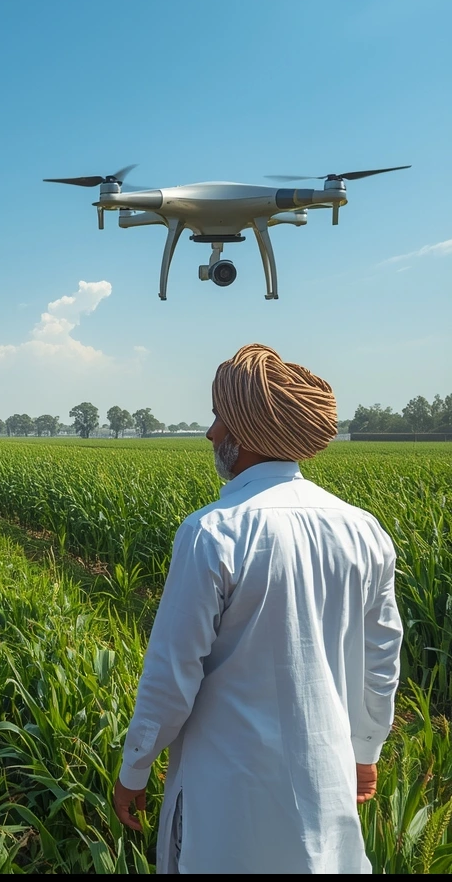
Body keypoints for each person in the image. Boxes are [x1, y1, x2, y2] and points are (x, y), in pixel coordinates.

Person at [112, 343, 402, 873]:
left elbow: (171, 677)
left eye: (219, 419)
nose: (210, 434)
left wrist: (135, 770)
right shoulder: (364, 531)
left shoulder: (213, 531)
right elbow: (381, 662)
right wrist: (366, 751)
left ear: (242, 436)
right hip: (326, 782)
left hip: (226, 797)